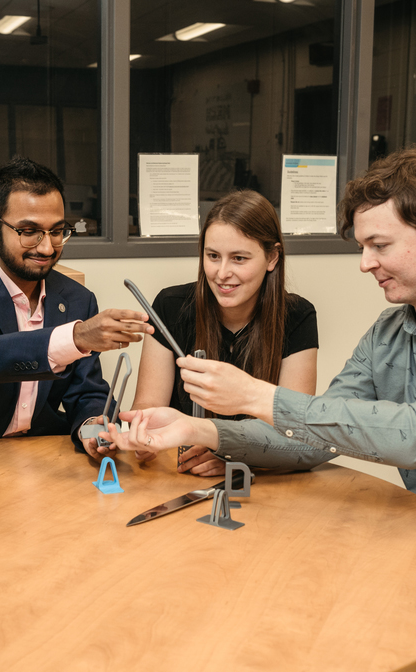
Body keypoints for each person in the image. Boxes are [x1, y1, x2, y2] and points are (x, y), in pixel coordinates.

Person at [105, 145, 416, 672]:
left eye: (379, 245)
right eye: (363, 246)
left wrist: (254, 397)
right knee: (295, 627)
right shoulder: (390, 334)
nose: (365, 263)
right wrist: (198, 427)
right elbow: (310, 439)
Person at [0, 156, 153, 457]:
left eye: (56, 231)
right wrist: (75, 338)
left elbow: (87, 392)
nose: (47, 247)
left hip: (41, 452)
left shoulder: (77, 298)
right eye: (29, 232)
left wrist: (95, 430)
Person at [131, 190, 317, 477]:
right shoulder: (170, 307)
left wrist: (241, 456)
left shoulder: (297, 316)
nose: (222, 273)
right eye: (213, 256)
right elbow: (147, 406)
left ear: (272, 257)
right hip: (178, 473)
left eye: (239, 258)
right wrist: (143, 435)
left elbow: (294, 427)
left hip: (263, 484)